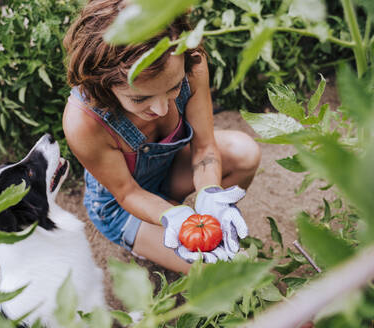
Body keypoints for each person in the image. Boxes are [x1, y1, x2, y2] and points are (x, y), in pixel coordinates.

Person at [62, 0, 261, 274]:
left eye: (174, 87)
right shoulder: (83, 121)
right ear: (104, 85)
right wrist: (171, 216)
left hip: (168, 172)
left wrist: (210, 194)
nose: (162, 108)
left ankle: (181, 214)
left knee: (244, 152)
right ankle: (145, 236)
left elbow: (204, 147)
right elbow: (127, 192)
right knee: (218, 272)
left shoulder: (192, 63)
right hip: (123, 206)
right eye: (140, 98)